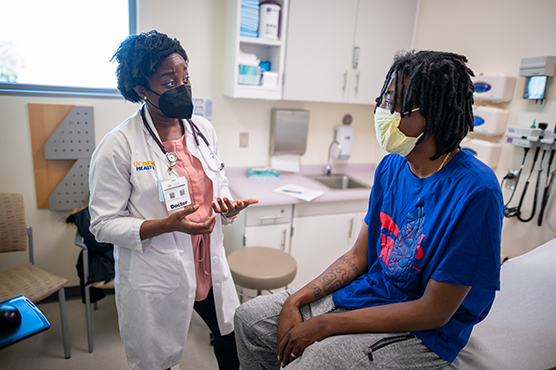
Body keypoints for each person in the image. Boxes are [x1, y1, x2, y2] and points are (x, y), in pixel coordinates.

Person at [234, 50, 504, 369]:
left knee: (315, 361)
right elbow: (359, 256)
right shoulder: (391, 167)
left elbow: (434, 310)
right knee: (251, 320)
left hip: (427, 332)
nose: (383, 112)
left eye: (396, 105)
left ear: (434, 114)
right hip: (376, 293)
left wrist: (325, 326)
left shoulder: (476, 192)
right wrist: (296, 299)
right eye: (385, 100)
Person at [89, 30, 258, 370]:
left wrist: (226, 205)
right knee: (158, 361)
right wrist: (164, 226)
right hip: (159, 272)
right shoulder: (119, 145)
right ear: (141, 90)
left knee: (232, 342)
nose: (182, 87)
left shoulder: (202, 130)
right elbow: (103, 224)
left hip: (207, 263)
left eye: (186, 77)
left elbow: (216, 182)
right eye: (169, 81)